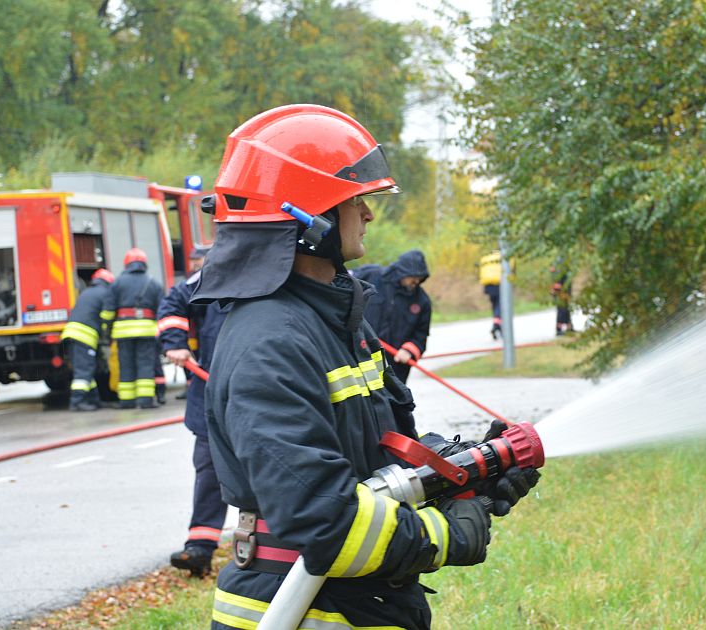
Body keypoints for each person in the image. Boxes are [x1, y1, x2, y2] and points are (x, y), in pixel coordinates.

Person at [191, 104, 539, 629]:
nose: (369, 214)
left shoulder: (334, 320)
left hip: (358, 605)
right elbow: (323, 519)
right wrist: (449, 533)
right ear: (311, 219)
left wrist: (461, 469)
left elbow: (373, 460)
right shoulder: (271, 341)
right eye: (355, 199)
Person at [158, 244, 229, 575]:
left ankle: (278, 550)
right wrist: (175, 343)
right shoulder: (212, 275)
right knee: (209, 469)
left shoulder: (275, 272)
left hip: (259, 393)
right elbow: (174, 303)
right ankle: (199, 548)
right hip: (212, 392)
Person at [352, 250, 431, 383]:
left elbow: (421, 335)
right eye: (413, 277)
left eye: (420, 278)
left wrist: (409, 351)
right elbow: (339, 285)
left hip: (394, 367)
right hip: (361, 357)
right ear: (403, 272)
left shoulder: (422, 301)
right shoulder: (371, 276)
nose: (416, 282)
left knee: (393, 402)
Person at [110, 247, 163, 409]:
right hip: (146, 330)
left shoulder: (117, 282)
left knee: (126, 364)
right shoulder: (153, 283)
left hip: (123, 331)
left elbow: (108, 309)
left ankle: (127, 401)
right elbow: (162, 308)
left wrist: (106, 327)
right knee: (145, 364)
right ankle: (146, 400)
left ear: (127, 264)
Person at [60, 268, 115, 411]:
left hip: (72, 333)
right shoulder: (106, 293)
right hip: (84, 336)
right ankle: (77, 402)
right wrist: (107, 332)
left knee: (89, 369)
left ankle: (94, 400)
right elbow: (107, 315)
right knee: (84, 371)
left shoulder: (87, 292)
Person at [479, 251, 502, 339]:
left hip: (488, 285)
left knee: (495, 305)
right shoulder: (504, 257)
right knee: (500, 306)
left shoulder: (487, 258)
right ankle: (496, 324)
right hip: (500, 284)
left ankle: (498, 325)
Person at [550, 259, 574, 336]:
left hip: (565, 293)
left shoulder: (565, 272)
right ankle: (558, 329)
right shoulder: (557, 272)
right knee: (561, 311)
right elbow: (556, 285)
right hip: (560, 293)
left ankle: (569, 327)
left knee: (566, 310)